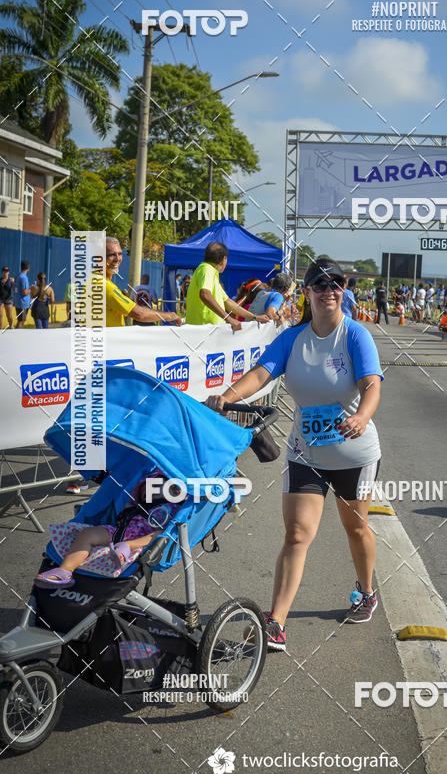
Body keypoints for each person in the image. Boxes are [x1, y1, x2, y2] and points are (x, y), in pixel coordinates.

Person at [205, 257, 384, 651]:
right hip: (307, 454)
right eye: (320, 284)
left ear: (343, 290)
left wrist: (362, 417)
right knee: (297, 534)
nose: (329, 291)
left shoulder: (355, 335)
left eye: (336, 284)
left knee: (355, 528)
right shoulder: (292, 339)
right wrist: (225, 397)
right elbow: (260, 374)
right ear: (307, 292)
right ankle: (276, 623)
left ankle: (366, 590)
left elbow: (372, 385)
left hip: (354, 455)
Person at [34, 472, 177, 586]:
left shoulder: (175, 505)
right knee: (87, 533)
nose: (149, 492)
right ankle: (65, 571)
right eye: (145, 491)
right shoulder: (138, 505)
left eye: (155, 487)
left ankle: (126, 548)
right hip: (119, 531)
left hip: (144, 539)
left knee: (161, 534)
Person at [186, 242, 270, 331]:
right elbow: (204, 294)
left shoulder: (210, 272)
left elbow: (228, 303)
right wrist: (228, 318)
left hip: (210, 330)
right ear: (224, 259)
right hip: (204, 330)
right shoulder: (207, 269)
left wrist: (254, 317)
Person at [103, 237, 181, 327]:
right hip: (143, 318)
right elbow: (139, 313)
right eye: (112, 254)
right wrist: (169, 315)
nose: (117, 258)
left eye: (120, 254)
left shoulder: (99, 281)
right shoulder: (105, 285)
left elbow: (131, 303)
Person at [15, 260, 31, 328]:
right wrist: (31, 290)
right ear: (28, 268)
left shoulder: (18, 276)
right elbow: (24, 292)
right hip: (23, 303)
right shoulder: (24, 278)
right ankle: (18, 333)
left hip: (18, 302)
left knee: (20, 321)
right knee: (21, 322)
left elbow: (15, 289)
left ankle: (16, 332)